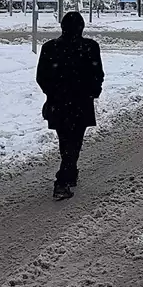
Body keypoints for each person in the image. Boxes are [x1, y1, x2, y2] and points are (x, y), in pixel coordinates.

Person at [36, 11, 104, 200]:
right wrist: (92, 91)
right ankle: (63, 180)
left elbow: (41, 76)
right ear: (81, 27)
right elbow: (97, 73)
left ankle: (70, 172)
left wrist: (52, 93)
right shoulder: (90, 47)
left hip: (58, 103)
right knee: (74, 141)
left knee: (65, 140)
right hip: (81, 102)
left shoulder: (50, 48)